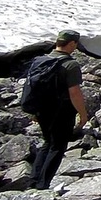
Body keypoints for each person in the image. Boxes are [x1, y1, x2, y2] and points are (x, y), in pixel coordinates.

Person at [29, 29, 90, 190]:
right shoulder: (70, 64)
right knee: (58, 146)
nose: (76, 47)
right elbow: (74, 92)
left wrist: (33, 110)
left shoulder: (40, 61)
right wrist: (83, 114)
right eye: (75, 44)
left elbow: (32, 87)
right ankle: (43, 185)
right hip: (61, 111)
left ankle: (34, 181)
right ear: (71, 43)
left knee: (48, 142)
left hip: (41, 110)